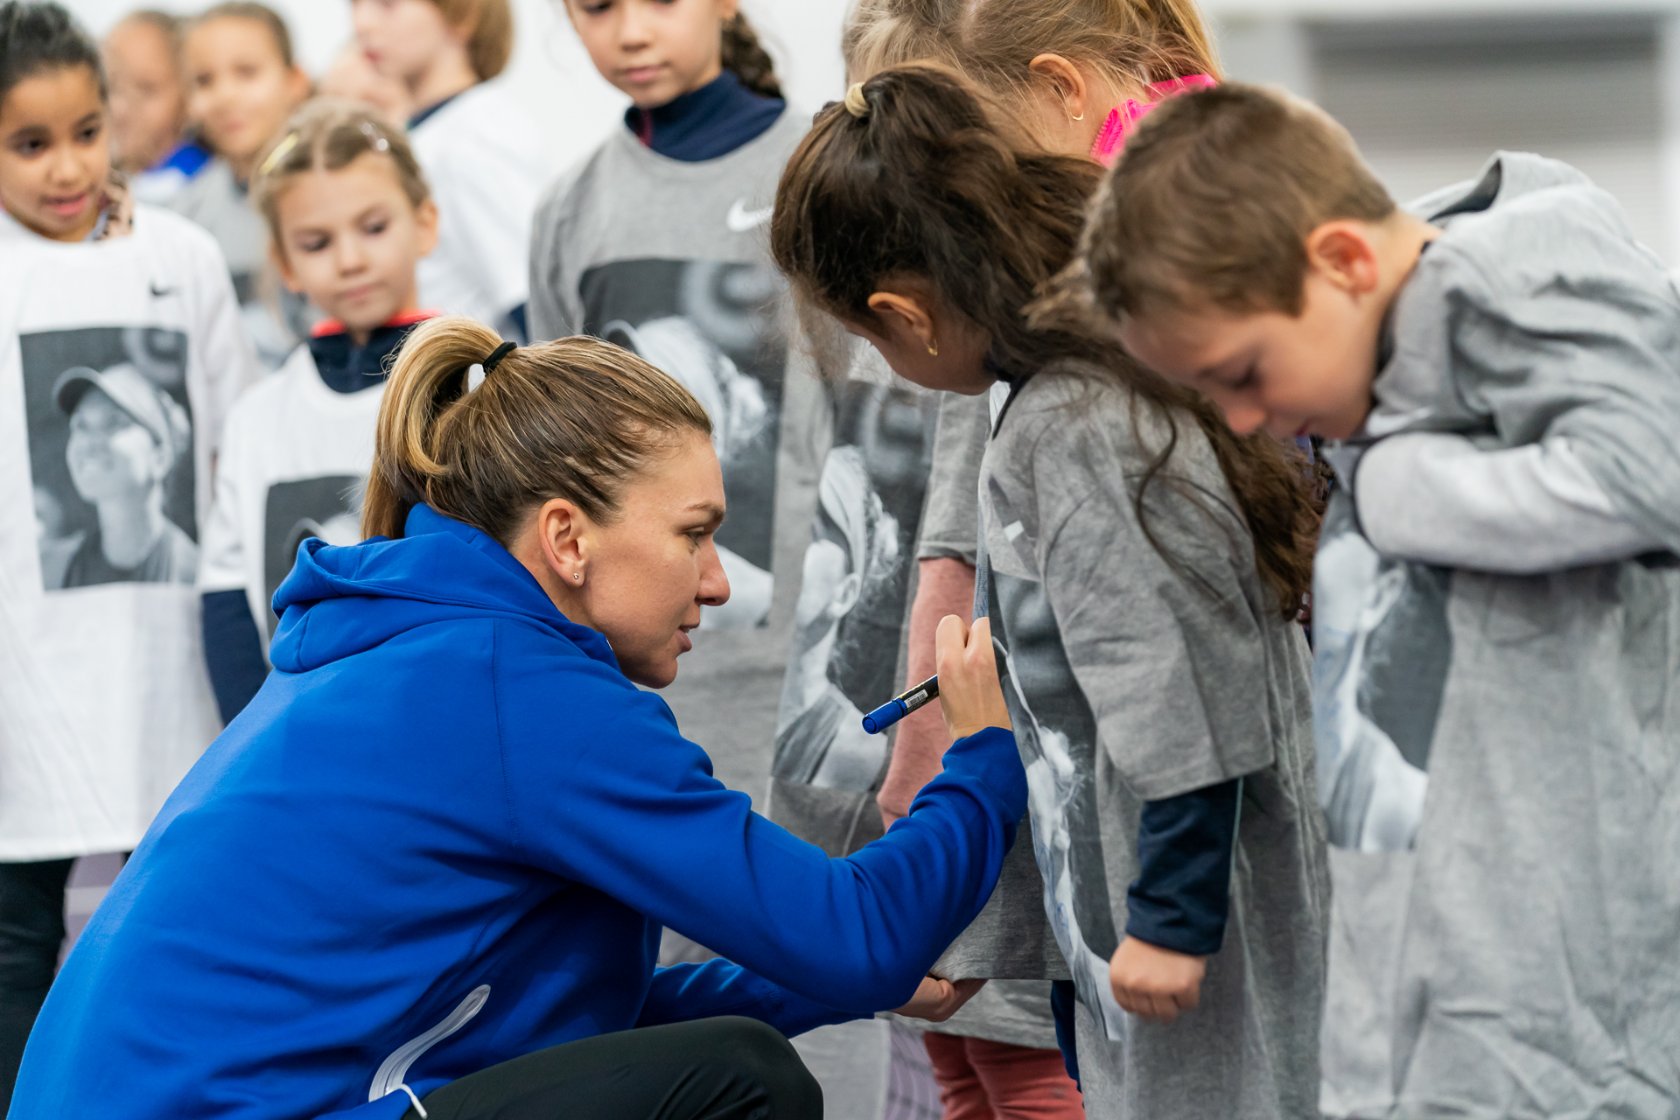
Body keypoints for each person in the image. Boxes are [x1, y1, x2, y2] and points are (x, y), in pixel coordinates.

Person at [10, 313, 1029, 1120]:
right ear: (566, 538)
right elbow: (858, 936)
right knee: (739, 1077)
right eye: (693, 535)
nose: (719, 583)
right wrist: (984, 753)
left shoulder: (423, 649)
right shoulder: (515, 689)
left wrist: (863, 973)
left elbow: (587, 1030)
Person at [1078, 80, 1680, 1119]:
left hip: (1575, 998)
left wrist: (1402, 487)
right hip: (1440, 982)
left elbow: (1649, 470)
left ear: (1347, 262)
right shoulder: (1386, 370)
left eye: (1247, 372)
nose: (1247, 417)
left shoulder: (1506, 285)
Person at [771, 64, 1329, 1119]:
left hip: (1198, 954)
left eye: (871, 337)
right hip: (1126, 942)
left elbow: (1184, 691)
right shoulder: (1044, 405)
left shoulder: (1081, 427)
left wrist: (1167, 921)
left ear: (907, 315)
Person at [834, 3, 1225, 1112]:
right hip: (1052, 770)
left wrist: (935, 756)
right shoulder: (1064, 271)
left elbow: (1180, 682)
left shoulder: (1083, 281)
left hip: (1126, 842)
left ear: (1056, 91)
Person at [0, 2, 258, 1107]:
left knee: (180, 938)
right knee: (16, 950)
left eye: (88, 131)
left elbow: (235, 463)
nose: (69, 166)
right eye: (30, 142)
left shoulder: (185, 257)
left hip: (166, 680)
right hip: (27, 682)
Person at [197, 98, 440, 724]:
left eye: (374, 227)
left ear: (425, 221)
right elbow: (228, 599)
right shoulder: (258, 419)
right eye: (317, 241)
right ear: (285, 263)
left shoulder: (476, 386)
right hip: (300, 747)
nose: (351, 259)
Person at [352, 0, 551, 340]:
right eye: (354, 5)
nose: (362, 22)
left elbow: (533, 302)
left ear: (461, 14)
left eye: (387, 4)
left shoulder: (472, 138)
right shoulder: (430, 133)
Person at [169, 1, 310, 368]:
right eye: (204, 80)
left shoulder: (337, 194)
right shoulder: (184, 217)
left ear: (294, 82)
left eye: (247, 73)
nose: (225, 96)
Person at [41, 360, 196, 589]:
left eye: (114, 423)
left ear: (160, 458)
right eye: (81, 425)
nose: (89, 443)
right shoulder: (51, 570)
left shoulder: (195, 574)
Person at [100, 9, 208, 204]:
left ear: (190, 97)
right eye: (112, 86)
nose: (119, 108)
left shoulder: (200, 188)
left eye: (146, 89)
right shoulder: (110, 179)